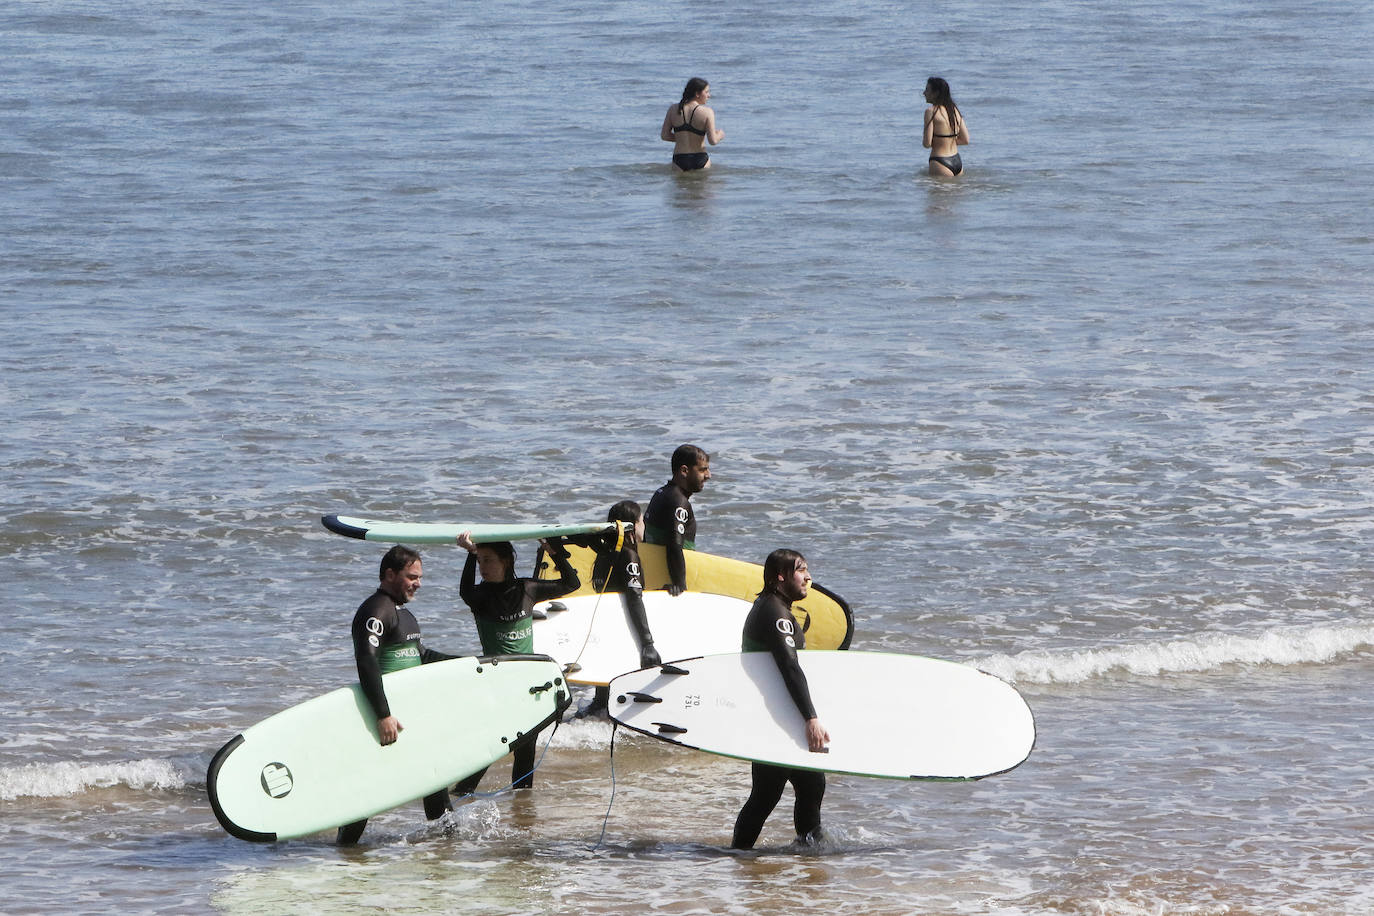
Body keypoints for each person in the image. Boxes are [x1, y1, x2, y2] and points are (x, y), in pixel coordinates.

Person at [337, 545, 457, 845]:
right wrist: (383, 715)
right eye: (411, 576)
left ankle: (446, 847)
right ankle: (344, 851)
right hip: (386, 718)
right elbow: (366, 660)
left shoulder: (405, 615)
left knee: (435, 778)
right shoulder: (376, 610)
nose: (418, 583)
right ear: (390, 574)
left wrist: (471, 662)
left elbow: (421, 656)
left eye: (419, 577)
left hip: (408, 717)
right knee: (369, 791)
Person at [451, 532, 581, 793]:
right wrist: (469, 553)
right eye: (480, 562)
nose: (483, 568)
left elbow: (571, 583)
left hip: (527, 684)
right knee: (489, 749)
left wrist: (554, 553)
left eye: (488, 560)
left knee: (525, 752)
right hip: (496, 684)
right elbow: (464, 590)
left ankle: (522, 807)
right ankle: (460, 796)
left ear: (506, 560)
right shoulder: (480, 596)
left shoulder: (527, 589)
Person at [731, 549, 830, 850]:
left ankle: (809, 851)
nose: (808, 577)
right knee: (766, 795)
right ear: (780, 576)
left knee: (810, 784)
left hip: (780, 713)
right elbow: (789, 667)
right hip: (774, 718)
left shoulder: (773, 606)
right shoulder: (775, 613)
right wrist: (811, 719)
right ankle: (738, 855)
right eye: (801, 570)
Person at [577, 500, 663, 718]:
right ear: (633, 527)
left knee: (603, 701)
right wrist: (647, 643)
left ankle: (598, 705)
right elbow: (633, 598)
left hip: (605, 630)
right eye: (642, 521)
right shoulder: (629, 556)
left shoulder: (604, 556)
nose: (644, 527)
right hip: (625, 631)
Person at [643, 444, 711, 596]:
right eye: (702, 470)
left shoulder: (662, 493)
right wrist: (680, 585)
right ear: (684, 471)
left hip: (652, 571)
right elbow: (674, 544)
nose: (708, 475)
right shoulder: (678, 502)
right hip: (669, 578)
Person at [660, 77, 724, 172]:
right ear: (697, 94)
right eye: (706, 92)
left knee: (681, 186)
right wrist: (720, 135)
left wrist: (682, 137)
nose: (709, 95)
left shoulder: (673, 109)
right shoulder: (707, 112)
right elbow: (713, 141)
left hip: (679, 159)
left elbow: (664, 136)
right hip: (700, 158)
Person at [922, 76, 971, 177]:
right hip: (957, 161)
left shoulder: (930, 112)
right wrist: (947, 141)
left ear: (936, 93)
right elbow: (966, 140)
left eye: (927, 90)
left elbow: (927, 143)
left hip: (940, 162)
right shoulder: (954, 110)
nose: (924, 93)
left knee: (937, 192)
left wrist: (940, 143)